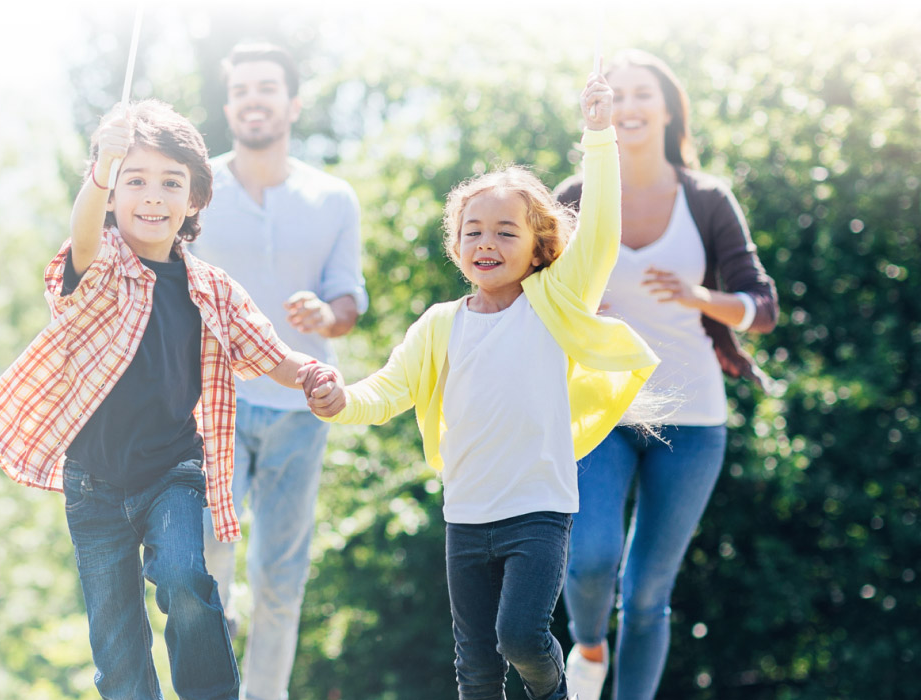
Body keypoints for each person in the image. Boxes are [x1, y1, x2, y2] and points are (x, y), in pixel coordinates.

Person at [0, 99, 344, 700]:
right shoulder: (103, 266)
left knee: (182, 576)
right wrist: (102, 168)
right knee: (116, 650)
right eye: (134, 180)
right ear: (113, 194)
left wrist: (313, 378)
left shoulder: (215, 289)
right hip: (93, 485)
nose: (152, 196)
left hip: (173, 469)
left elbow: (275, 355)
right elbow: (84, 236)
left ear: (195, 199)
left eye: (170, 183)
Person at [306, 68, 655, 700]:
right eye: (473, 232)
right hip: (465, 515)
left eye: (505, 231)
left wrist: (598, 138)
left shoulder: (553, 301)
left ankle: (557, 694)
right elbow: (386, 391)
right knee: (475, 667)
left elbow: (600, 235)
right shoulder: (440, 325)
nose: (486, 243)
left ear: (539, 245)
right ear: (456, 245)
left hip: (538, 511)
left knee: (521, 637)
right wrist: (340, 401)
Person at [552, 49, 780, 700]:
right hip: (602, 412)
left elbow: (762, 307)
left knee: (649, 593)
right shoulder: (575, 196)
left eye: (642, 94)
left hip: (694, 421)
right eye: (615, 95)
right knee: (592, 558)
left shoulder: (706, 199)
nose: (628, 107)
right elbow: (530, 293)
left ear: (667, 108)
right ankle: (589, 644)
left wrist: (700, 297)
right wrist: (568, 303)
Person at [186, 43, 365, 700]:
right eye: (241, 90)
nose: (253, 99)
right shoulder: (194, 188)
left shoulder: (332, 196)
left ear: (291, 103)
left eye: (266, 88)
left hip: (300, 407)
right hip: (213, 402)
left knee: (280, 579)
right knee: (206, 564)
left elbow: (349, 299)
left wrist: (327, 315)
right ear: (230, 104)